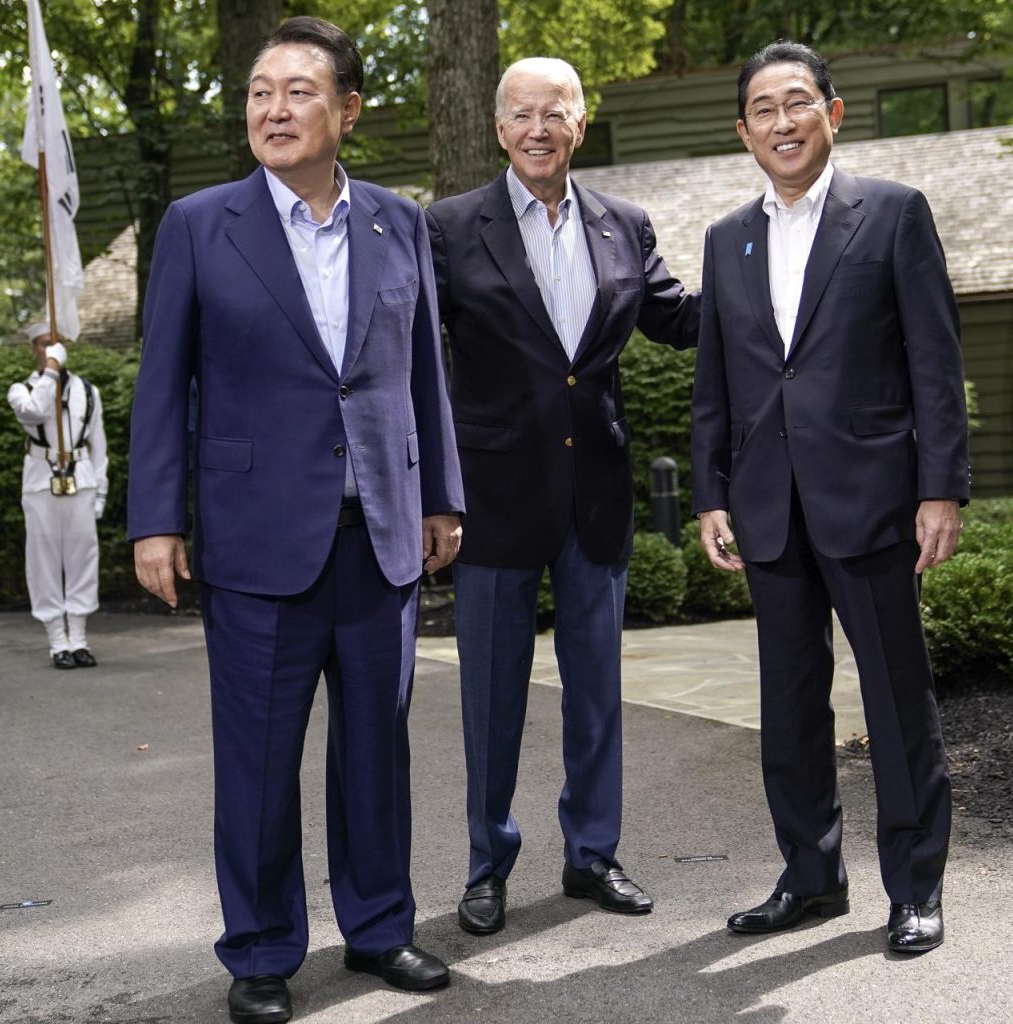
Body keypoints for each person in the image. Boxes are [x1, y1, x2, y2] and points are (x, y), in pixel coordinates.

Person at [126, 17, 463, 1024]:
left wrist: (442, 492)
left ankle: (380, 927)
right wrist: (155, 520)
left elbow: (424, 372)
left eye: (299, 91)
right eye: (260, 92)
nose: (274, 109)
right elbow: (161, 386)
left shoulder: (399, 223)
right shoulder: (199, 224)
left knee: (377, 751)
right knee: (260, 761)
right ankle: (263, 946)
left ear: (347, 111)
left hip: (381, 533)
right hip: (256, 538)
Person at [690, 41, 970, 954]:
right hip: (768, 505)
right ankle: (811, 879)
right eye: (763, 109)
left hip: (872, 497)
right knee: (790, 703)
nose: (782, 121)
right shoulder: (726, 237)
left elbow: (935, 363)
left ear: (832, 113)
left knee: (895, 697)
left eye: (798, 102)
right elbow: (718, 382)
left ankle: (915, 886)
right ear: (743, 132)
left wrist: (942, 490)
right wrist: (710, 495)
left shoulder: (891, 214)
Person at [423, 57, 698, 936]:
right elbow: (420, 367)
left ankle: (592, 855)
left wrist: (771, 269)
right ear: (499, 129)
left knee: (597, 693)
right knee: (493, 698)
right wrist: (433, 491)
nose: (539, 128)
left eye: (557, 112)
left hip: (596, 495)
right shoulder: (448, 228)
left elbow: (680, 319)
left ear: (582, 126)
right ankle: (487, 865)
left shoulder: (625, 225)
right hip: (493, 501)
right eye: (521, 114)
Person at [8, 324, 108, 669]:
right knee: (44, 561)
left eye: (56, 343)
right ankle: (57, 640)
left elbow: (99, 446)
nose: (50, 348)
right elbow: (35, 411)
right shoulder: (21, 390)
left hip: (80, 481)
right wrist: (51, 370)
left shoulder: (88, 391)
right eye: (42, 344)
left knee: (82, 559)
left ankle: (79, 637)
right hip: (40, 482)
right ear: (33, 349)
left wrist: (100, 491)